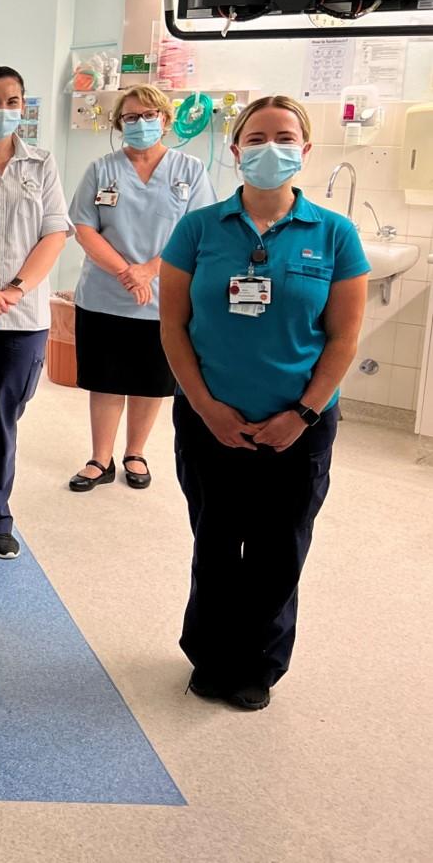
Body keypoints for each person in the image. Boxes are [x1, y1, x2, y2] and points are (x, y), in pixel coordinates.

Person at [159, 96, 367, 712]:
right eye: (255, 138)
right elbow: (173, 326)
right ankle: (211, 656)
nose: (269, 149)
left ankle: (259, 664)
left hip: (299, 425)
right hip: (210, 419)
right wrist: (205, 407)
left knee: (279, 549)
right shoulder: (199, 229)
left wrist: (301, 414)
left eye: (284, 137)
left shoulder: (335, 234)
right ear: (235, 150)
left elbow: (344, 338)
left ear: (305, 150)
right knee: (216, 542)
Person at [68, 85, 217, 493]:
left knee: (151, 380)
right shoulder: (101, 170)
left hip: (163, 296)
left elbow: (198, 232)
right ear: (119, 124)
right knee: (106, 380)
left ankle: (135, 452)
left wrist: (149, 271)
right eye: (131, 117)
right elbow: (83, 228)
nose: (140, 123)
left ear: (165, 120)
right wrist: (126, 273)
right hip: (105, 293)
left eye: (149, 115)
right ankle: (100, 458)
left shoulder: (189, 170)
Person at [0, 66, 71, 560]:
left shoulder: (40, 164)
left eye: (12, 102)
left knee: (3, 418)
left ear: (23, 107)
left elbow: (54, 233)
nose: (3, 111)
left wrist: (15, 289)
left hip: (23, 319)